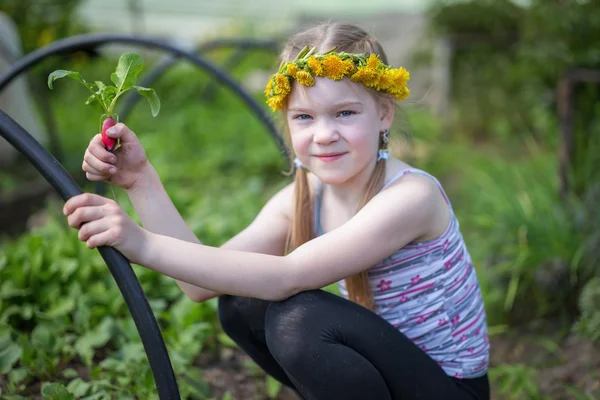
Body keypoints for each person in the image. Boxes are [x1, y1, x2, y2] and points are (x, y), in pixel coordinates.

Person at [63, 22, 490, 400]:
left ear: (383, 113)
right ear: (287, 121)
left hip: (448, 388)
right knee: (242, 303)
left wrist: (141, 243)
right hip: (395, 371)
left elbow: (287, 278)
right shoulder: (303, 198)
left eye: (344, 113)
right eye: (304, 117)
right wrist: (140, 181)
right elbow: (200, 285)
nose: (324, 135)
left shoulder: (411, 197)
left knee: (296, 319)